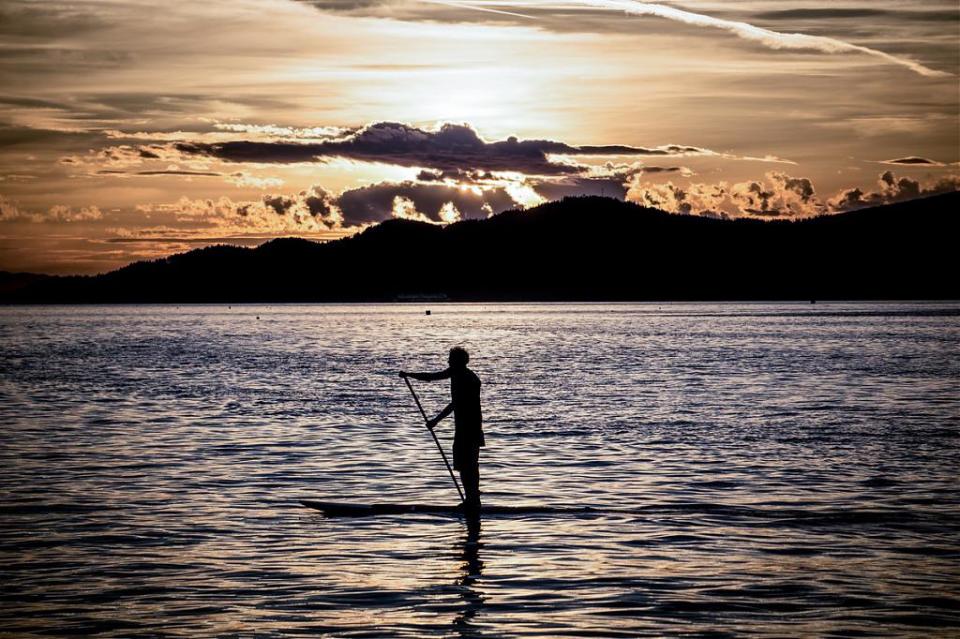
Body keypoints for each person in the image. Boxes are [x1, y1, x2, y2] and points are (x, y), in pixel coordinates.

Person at [400, 347, 484, 511]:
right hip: (462, 428)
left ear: (458, 361)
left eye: (450, 359)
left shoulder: (468, 378)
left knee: (469, 465)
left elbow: (456, 403)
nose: (448, 361)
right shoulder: (456, 372)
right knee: (463, 464)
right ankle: (471, 499)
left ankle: (473, 500)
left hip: (470, 428)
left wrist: (435, 421)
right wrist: (409, 375)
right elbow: (432, 377)